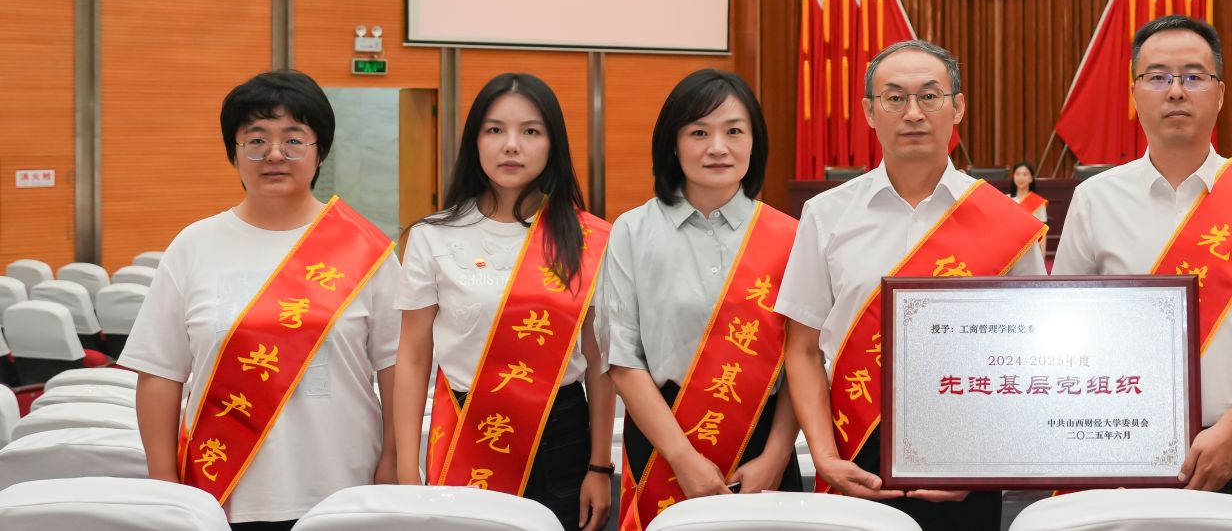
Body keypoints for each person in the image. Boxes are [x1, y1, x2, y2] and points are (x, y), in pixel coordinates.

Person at [1053, 16, 1232, 520]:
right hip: (1119, 444)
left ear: (1219, 93)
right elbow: (1066, 321)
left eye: (1193, 76)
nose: (1176, 91)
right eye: (1157, 76)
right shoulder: (1095, 199)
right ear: (1134, 93)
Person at [777, 40, 1047, 531]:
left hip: (968, 455)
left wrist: (988, 463)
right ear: (869, 111)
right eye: (895, 98)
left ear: (957, 107)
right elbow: (802, 348)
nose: (914, 112)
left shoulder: (1006, 222)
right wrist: (825, 456)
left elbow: (1033, 352)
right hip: (853, 451)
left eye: (929, 95)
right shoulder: (826, 215)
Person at [126, 70, 400, 530]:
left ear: (320, 152)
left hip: (344, 492)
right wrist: (165, 484)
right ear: (234, 152)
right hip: (221, 495)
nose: (274, 154)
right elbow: (159, 373)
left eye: (293, 139)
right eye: (256, 140)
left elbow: (397, 370)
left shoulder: (367, 251)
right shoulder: (194, 246)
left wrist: (393, 461)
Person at [391, 73, 614, 531]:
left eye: (530, 131)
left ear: (553, 144)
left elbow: (599, 360)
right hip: (466, 427)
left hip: (561, 436)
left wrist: (599, 466)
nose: (511, 145)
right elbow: (412, 355)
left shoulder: (591, 239)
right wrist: (406, 470)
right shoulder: (432, 237)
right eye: (494, 130)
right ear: (474, 141)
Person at [607, 70, 803, 531]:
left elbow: (805, 358)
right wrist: (681, 458)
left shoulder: (791, 237)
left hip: (762, 444)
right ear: (673, 144)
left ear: (754, 142)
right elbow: (623, 358)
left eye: (734, 131)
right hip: (663, 443)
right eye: (699, 133)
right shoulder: (632, 231)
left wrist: (776, 456)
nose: (718, 147)